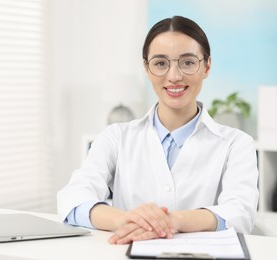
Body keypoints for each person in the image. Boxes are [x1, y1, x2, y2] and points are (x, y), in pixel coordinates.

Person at [57, 16, 259, 245]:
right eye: (161, 63)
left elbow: (240, 213)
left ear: (207, 67)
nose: (174, 76)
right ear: (147, 68)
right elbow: (72, 199)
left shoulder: (236, 143)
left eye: (188, 62)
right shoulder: (116, 137)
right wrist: (125, 220)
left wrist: (173, 220)